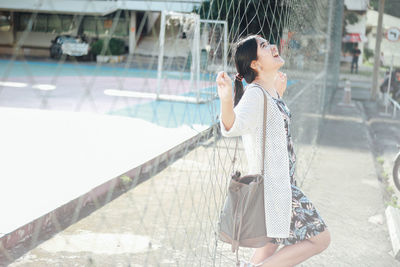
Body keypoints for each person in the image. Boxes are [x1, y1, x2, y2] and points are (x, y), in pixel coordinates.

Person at [216, 35, 330, 267]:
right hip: (274, 188)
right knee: (320, 239)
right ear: (255, 64)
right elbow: (231, 127)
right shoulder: (256, 94)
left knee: (270, 246)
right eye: (264, 46)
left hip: (283, 184)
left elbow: (270, 128)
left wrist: (278, 96)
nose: (273, 47)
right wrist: (226, 99)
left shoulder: (268, 93)